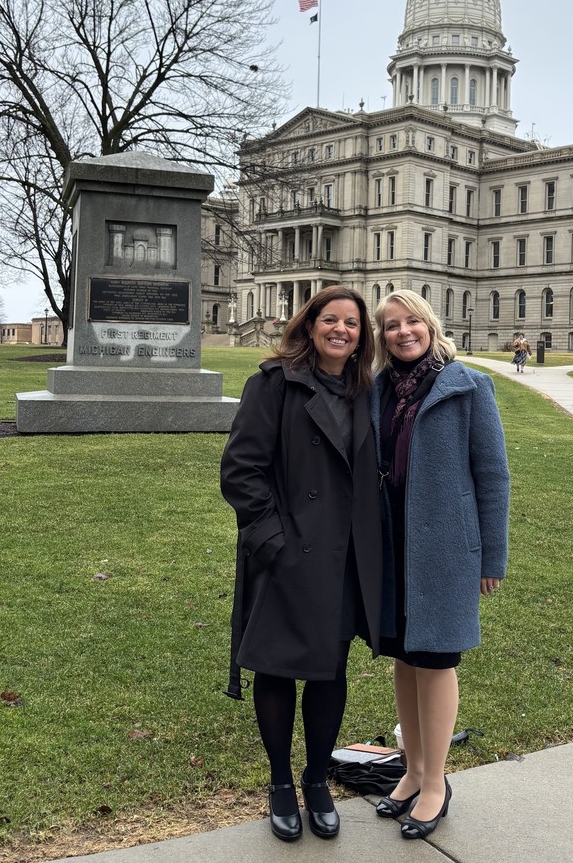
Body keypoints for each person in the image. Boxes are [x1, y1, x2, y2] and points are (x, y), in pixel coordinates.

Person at [220, 286, 384, 842]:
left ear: (363, 336)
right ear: (310, 326)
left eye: (353, 325)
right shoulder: (273, 383)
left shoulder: (367, 391)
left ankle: (317, 779)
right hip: (289, 551)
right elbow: (241, 471)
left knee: (330, 669)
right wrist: (273, 540)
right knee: (275, 667)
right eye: (331, 321)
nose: (342, 331)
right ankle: (280, 784)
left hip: (343, 558)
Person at [370, 290, 510, 840]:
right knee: (404, 656)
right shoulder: (378, 391)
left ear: (430, 325)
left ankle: (436, 784)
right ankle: (412, 771)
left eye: (412, 322)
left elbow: (493, 476)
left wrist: (491, 555)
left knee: (437, 659)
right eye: (390, 326)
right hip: (392, 542)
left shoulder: (469, 386)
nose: (403, 333)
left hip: (447, 546)